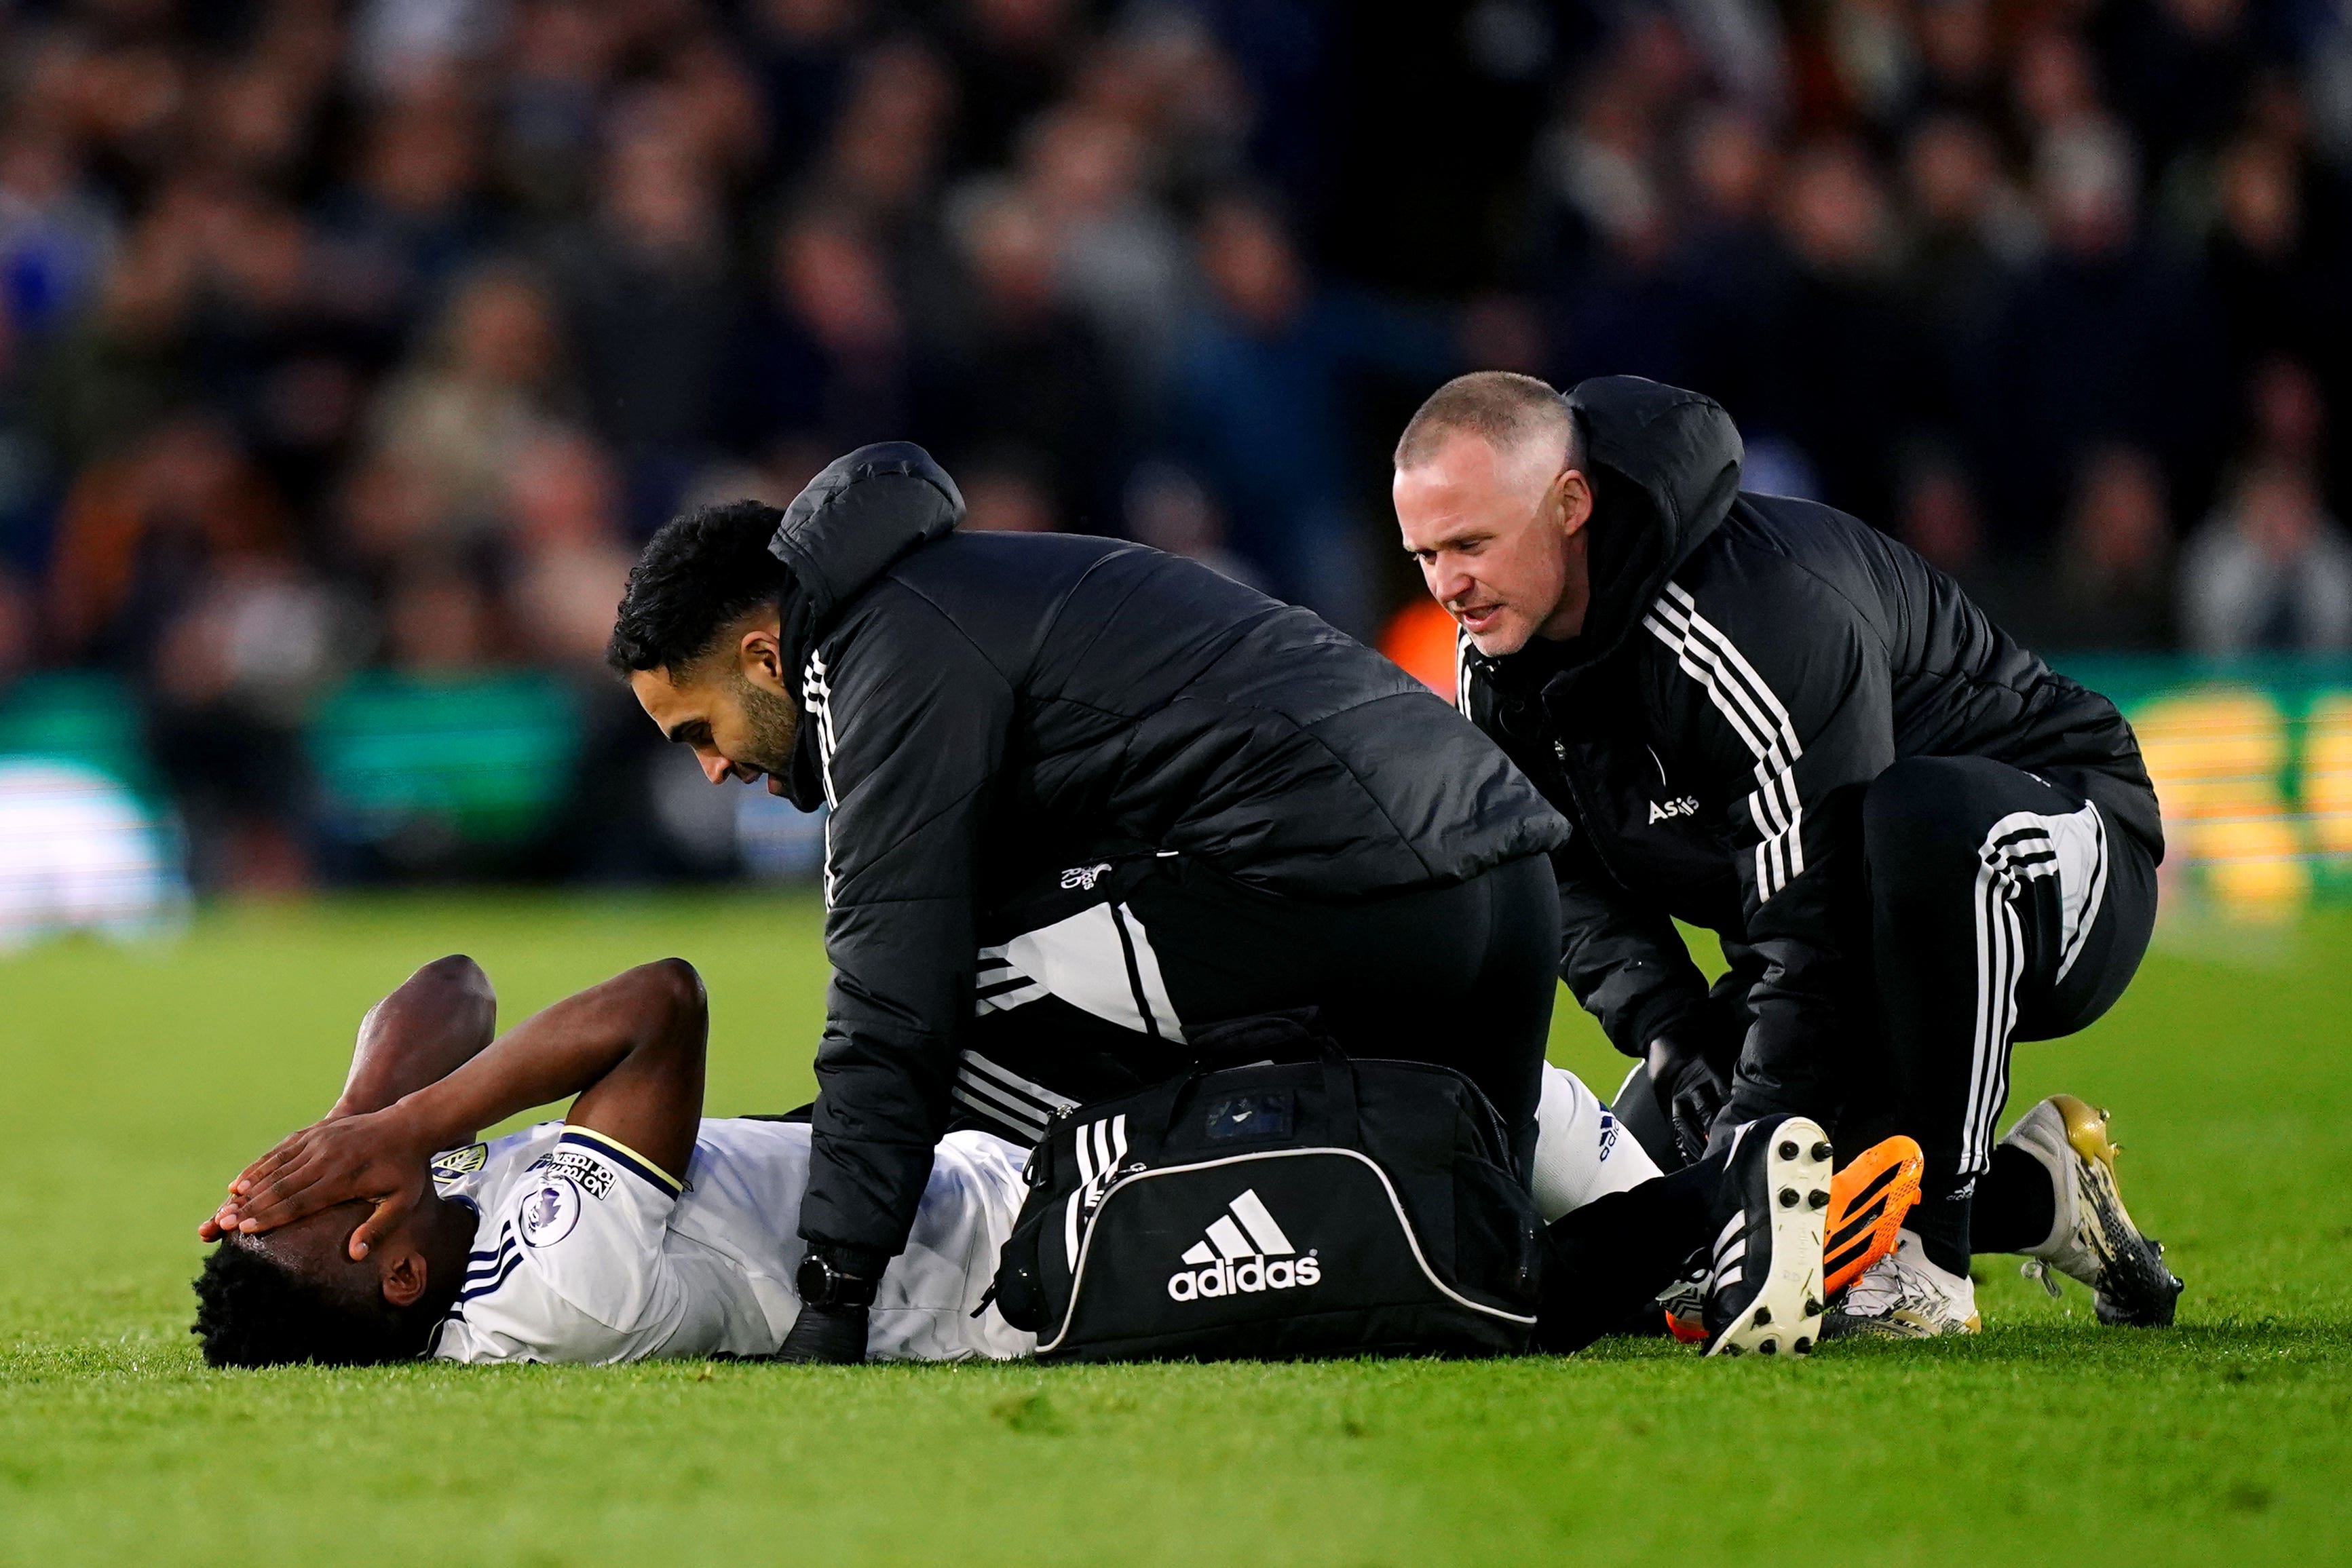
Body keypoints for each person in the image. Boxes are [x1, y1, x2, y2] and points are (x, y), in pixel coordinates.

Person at [227, 440, 1573, 1366]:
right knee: (1492, 1229)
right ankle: (1684, 1208)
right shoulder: (950, 595)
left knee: (957, 992)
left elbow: (891, 1010)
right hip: (1491, 881)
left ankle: (1089, 1227)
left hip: (1362, 885)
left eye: (700, 724)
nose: (712, 766)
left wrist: (832, 1302)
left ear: (765, 652)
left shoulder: (884, 666)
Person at [1392, 370, 2184, 1337]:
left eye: (1470, 544)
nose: (1446, 586)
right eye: (1424, 554)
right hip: (1844, 924)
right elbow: (1555, 864)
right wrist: (1673, 1033)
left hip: (2052, 856)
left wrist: (1752, 1139)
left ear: (1569, 505)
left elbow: (1816, 915)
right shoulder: (1496, 663)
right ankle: (2040, 1192)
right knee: (1653, 1226)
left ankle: (1927, 1260)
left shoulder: (1753, 614)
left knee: (1916, 823)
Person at [197, 957, 1899, 1364]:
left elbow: (449, 994)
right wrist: (400, 1132)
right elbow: (656, 1004)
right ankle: (1747, 1222)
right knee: (1424, 1275)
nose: (358, 1169)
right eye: (344, 1202)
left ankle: (1774, 1207)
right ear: (396, 1266)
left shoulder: (432, 1231)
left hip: (1004, 1175)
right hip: (1029, 1281)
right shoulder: (543, 1272)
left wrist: (347, 1135)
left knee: (1390, 1104)